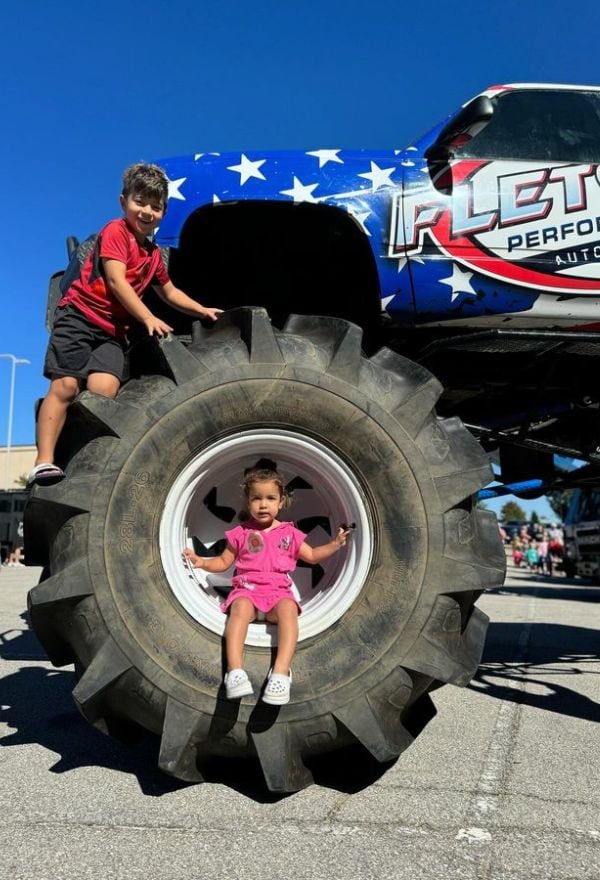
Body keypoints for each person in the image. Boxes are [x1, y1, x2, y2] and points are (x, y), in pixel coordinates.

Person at [28, 163, 223, 487]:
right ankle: (44, 459)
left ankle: (86, 462)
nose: (146, 211)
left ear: (163, 211)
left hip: (111, 330)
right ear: (123, 202)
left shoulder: (152, 256)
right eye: (140, 202)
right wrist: (147, 317)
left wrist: (201, 310)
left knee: (104, 391)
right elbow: (117, 282)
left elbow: (169, 291)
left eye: (155, 206)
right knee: (66, 386)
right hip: (79, 315)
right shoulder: (115, 232)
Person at [183, 459, 352, 704]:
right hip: (247, 591)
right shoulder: (240, 533)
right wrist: (201, 561)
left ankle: (281, 673)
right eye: (257, 498)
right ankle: (235, 672)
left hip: (277, 594)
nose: (264, 505)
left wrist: (335, 544)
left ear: (281, 502)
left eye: (271, 498)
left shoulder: (290, 533)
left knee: (288, 609)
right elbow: (223, 562)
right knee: (239, 609)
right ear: (248, 501)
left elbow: (313, 556)